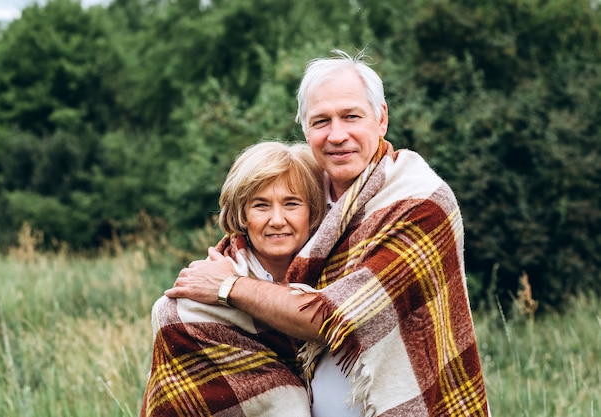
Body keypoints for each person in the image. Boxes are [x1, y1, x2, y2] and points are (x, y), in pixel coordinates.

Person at [167, 49, 490, 416]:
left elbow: (334, 318)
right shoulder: (304, 194)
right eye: (321, 121)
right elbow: (247, 258)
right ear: (305, 129)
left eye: (351, 116)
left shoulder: (418, 203)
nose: (337, 135)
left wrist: (229, 287)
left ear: (381, 119)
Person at [141, 141, 326, 417]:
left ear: (312, 211)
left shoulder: (334, 274)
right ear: (242, 215)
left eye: (291, 203)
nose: (277, 219)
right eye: (261, 205)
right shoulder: (199, 292)